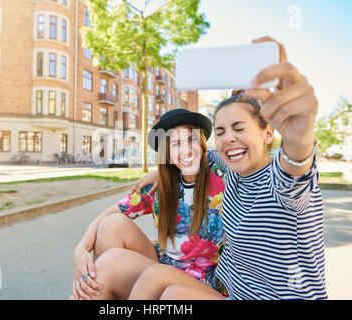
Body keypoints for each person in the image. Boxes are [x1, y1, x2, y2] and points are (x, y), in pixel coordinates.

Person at [129, 37, 328, 300]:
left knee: (172, 295)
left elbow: (296, 168)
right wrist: (166, 168)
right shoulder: (231, 164)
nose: (228, 138)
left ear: (268, 134)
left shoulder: (283, 181)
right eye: (221, 131)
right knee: (151, 278)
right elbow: (205, 154)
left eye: (240, 127)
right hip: (228, 291)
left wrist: (300, 140)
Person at [71, 108, 229, 300]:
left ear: (203, 143)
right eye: (176, 144)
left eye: (192, 139)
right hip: (160, 270)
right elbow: (110, 212)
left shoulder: (224, 177)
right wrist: (80, 249)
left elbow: (235, 155)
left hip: (203, 283)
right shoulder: (160, 185)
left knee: (154, 277)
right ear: (166, 153)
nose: (187, 149)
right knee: (111, 226)